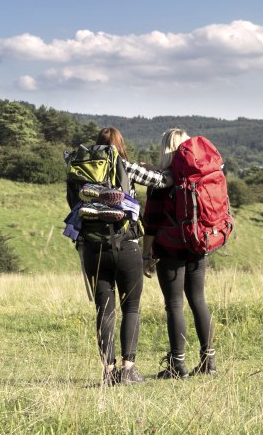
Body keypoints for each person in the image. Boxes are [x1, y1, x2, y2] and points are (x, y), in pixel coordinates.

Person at [71, 127, 173, 386]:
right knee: (131, 307)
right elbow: (163, 181)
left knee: (104, 310)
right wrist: (162, 168)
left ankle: (108, 372)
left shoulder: (79, 169)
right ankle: (128, 370)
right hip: (126, 245)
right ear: (120, 146)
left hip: (93, 248)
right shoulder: (126, 166)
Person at [142, 128, 216, 379]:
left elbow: (150, 222)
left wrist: (145, 255)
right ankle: (209, 362)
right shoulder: (199, 176)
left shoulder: (160, 182)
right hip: (198, 244)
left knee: (174, 305)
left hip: (169, 248)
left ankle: (178, 365)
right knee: (198, 300)